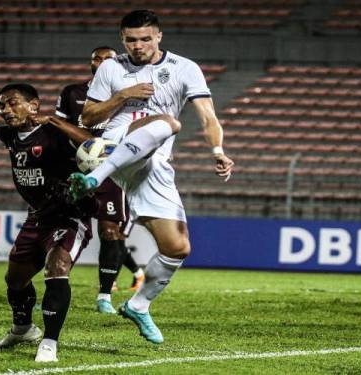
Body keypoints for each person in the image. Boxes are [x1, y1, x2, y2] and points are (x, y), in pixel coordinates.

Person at [69, 10, 234, 344]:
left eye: (145, 38)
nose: (138, 45)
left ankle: (139, 305)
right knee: (169, 122)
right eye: (131, 40)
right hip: (113, 148)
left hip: (154, 160)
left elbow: (207, 116)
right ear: (122, 39)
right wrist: (123, 96)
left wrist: (218, 151)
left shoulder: (185, 69)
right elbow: (88, 116)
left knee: (177, 247)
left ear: (159, 37)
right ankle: (94, 178)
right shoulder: (111, 68)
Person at [0, 70, 96, 362]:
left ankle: (49, 342)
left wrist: (55, 121)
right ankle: (23, 328)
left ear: (33, 105)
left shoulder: (55, 131)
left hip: (69, 216)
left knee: (57, 267)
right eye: (1, 105)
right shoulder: (11, 136)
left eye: (12, 103)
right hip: (36, 218)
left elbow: (92, 143)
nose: (5, 110)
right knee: (15, 281)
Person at [55, 46, 144, 314]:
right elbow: (59, 128)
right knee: (62, 226)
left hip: (111, 170)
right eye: (97, 57)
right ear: (91, 62)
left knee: (110, 230)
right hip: (76, 168)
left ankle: (105, 294)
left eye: (109, 58)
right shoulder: (72, 92)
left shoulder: (128, 93)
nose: (103, 61)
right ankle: (55, 285)